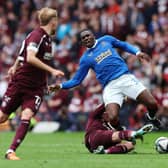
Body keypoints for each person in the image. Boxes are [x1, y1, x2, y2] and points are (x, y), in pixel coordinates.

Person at [49, 29, 161, 130]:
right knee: (112, 118)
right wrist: (60, 86)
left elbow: (123, 45)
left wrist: (137, 52)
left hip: (125, 78)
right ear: (82, 43)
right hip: (110, 86)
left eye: (87, 35)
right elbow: (76, 80)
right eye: (83, 38)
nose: (86, 38)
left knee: (152, 104)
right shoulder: (85, 59)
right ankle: (121, 133)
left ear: (93, 35)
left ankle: (151, 116)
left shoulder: (106, 40)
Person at [0, 7, 64, 160]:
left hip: (35, 88)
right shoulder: (37, 35)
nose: (57, 24)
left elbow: (22, 53)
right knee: (2, 117)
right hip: (21, 83)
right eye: (56, 21)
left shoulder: (47, 39)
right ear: (53, 21)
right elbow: (30, 57)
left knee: (27, 116)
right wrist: (52, 70)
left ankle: (10, 151)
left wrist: (15, 65)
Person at [85, 104, 153, 154]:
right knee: (114, 134)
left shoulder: (110, 125)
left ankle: (105, 152)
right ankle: (135, 133)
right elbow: (107, 102)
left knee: (131, 145)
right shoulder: (94, 118)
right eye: (107, 112)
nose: (109, 114)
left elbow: (121, 135)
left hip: (103, 145)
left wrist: (131, 139)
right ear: (102, 114)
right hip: (95, 137)